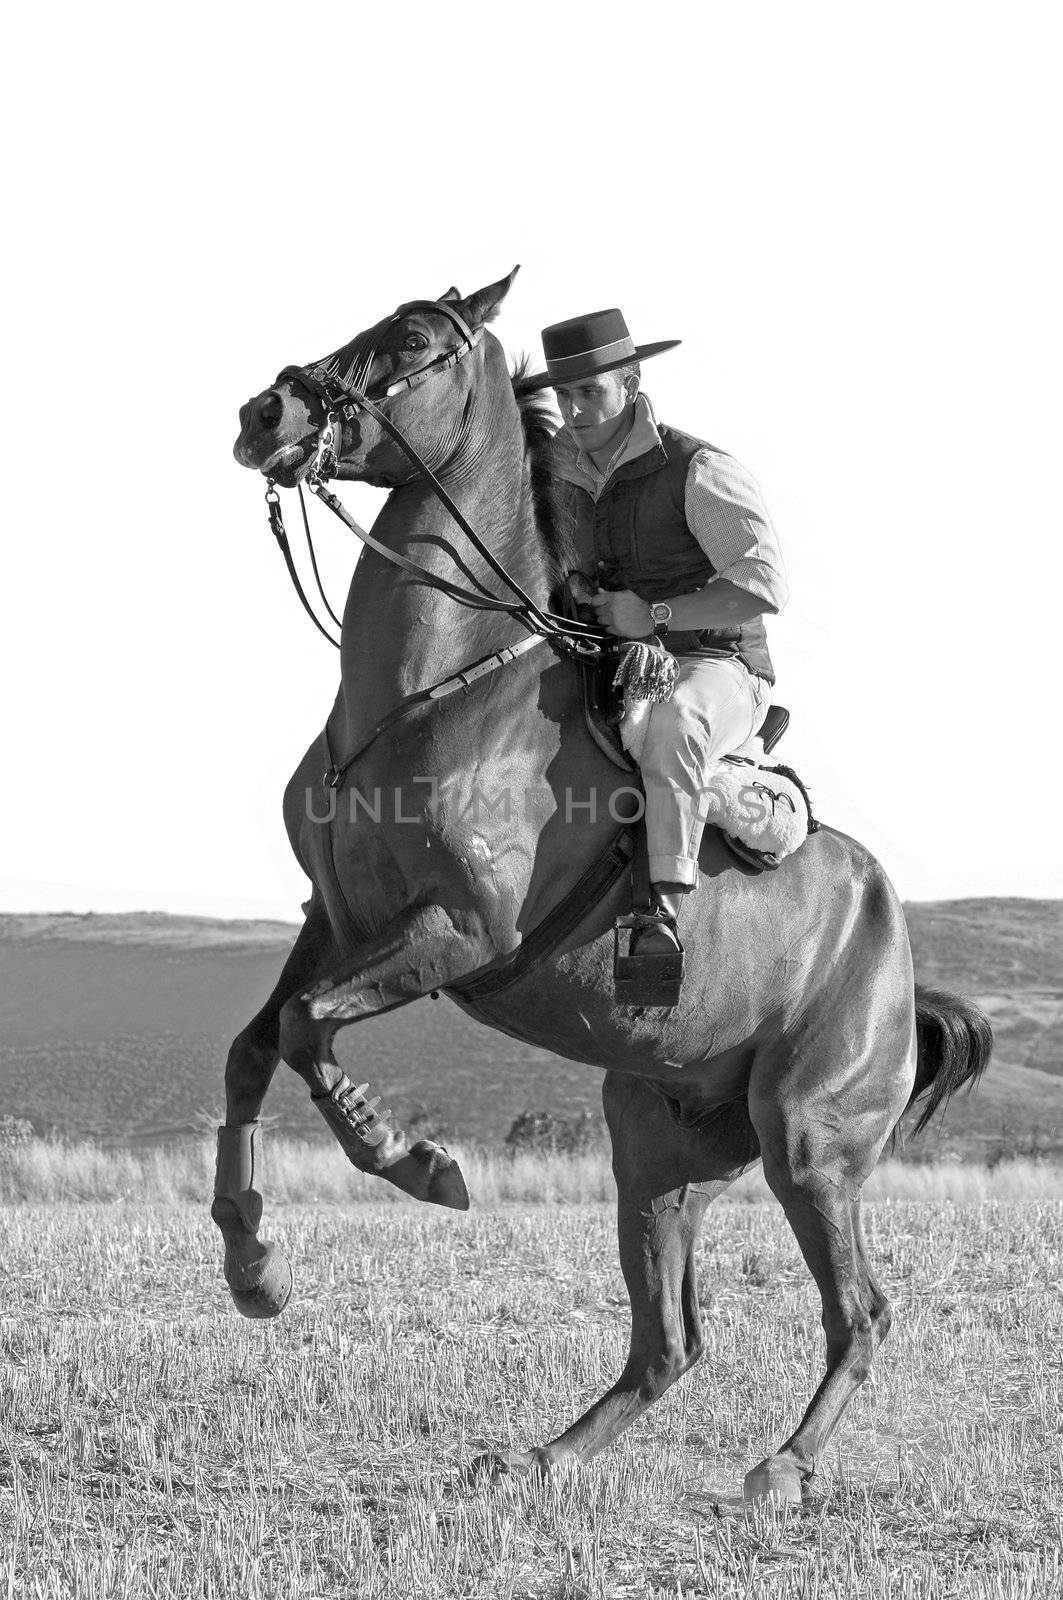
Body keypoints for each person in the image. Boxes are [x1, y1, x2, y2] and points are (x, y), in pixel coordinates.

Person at [527, 308, 789, 953]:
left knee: (672, 718)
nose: (576, 410)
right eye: (565, 395)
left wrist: (654, 615)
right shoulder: (552, 474)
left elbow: (763, 587)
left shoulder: (698, 469)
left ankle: (661, 916)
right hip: (604, 658)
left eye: (590, 392)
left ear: (632, 381)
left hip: (716, 667)